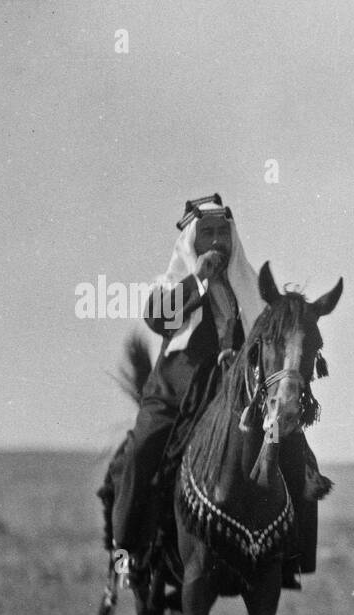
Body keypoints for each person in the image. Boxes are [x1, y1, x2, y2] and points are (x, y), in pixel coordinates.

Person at [109, 195, 318, 586]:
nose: (218, 241)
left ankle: (291, 555)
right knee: (140, 453)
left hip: (235, 391)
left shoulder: (251, 288)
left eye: (224, 232)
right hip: (176, 390)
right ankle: (124, 554)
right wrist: (199, 280)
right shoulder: (172, 284)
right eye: (208, 234)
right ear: (192, 241)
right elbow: (158, 320)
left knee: (295, 447)